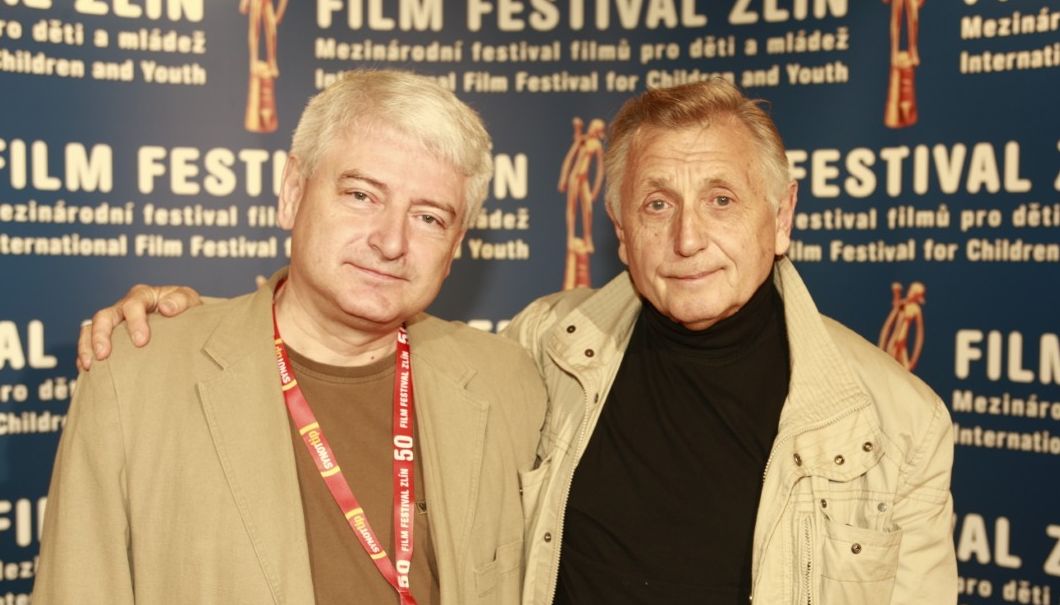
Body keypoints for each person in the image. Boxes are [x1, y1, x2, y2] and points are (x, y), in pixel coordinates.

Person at [78, 78, 957, 604]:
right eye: (657, 203)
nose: (689, 236)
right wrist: (188, 320)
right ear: (619, 226)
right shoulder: (550, 352)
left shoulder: (899, 424)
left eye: (722, 199)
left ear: (783, 214)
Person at [35, 70, 546, 605]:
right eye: (362, 195)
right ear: (292, 192)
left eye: (429, 218)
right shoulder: (137, 375)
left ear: (456, 244)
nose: (392, 241)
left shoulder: (513, 384)